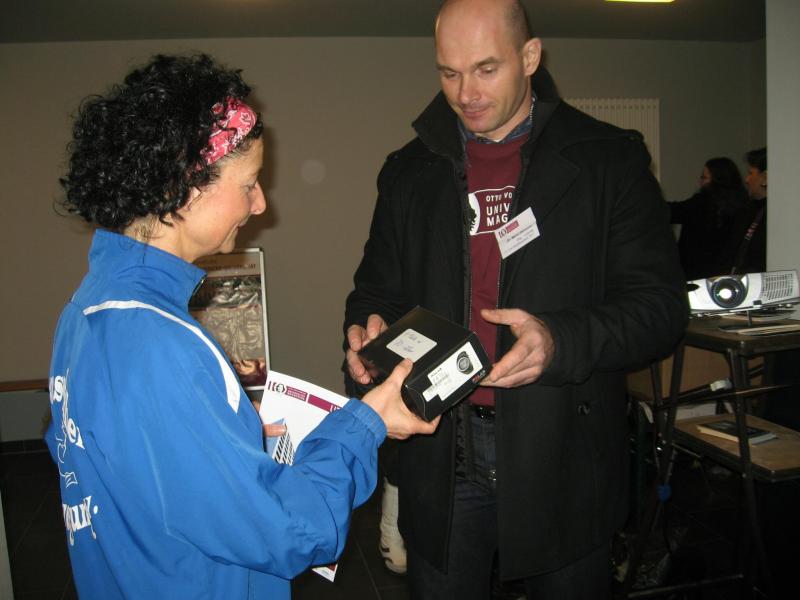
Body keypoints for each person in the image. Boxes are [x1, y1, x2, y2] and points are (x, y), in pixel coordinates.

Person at [46, 53, 438, 599]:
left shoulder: (87, 310)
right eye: (249, 183)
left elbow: (128, 464)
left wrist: (221, 434)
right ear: (184, 186)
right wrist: (364, 424)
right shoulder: (156, 344)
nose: (260, 204)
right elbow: (289, 531)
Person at [342, 1, 688, 598]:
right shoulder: (408, 170)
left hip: (561, 448)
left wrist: (560, 340)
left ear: (530, 57)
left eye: (486, 69)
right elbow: (375, 290)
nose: (465, 94)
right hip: (441, 447)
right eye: (449, 73)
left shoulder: (608, 158)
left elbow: (660, 309)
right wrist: (363, 332)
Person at [669, 157, 748, 280]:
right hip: (726, 272)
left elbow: (673, 211)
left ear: (717, 180)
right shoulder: (743, 205)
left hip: (695, 271)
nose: (700, 182)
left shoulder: (701, 204)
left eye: (704, 177)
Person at [729, 146, 767, 274]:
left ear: (765, 178)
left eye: (751, 173)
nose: (746, 180)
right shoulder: (748, 210)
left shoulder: (772, 215)